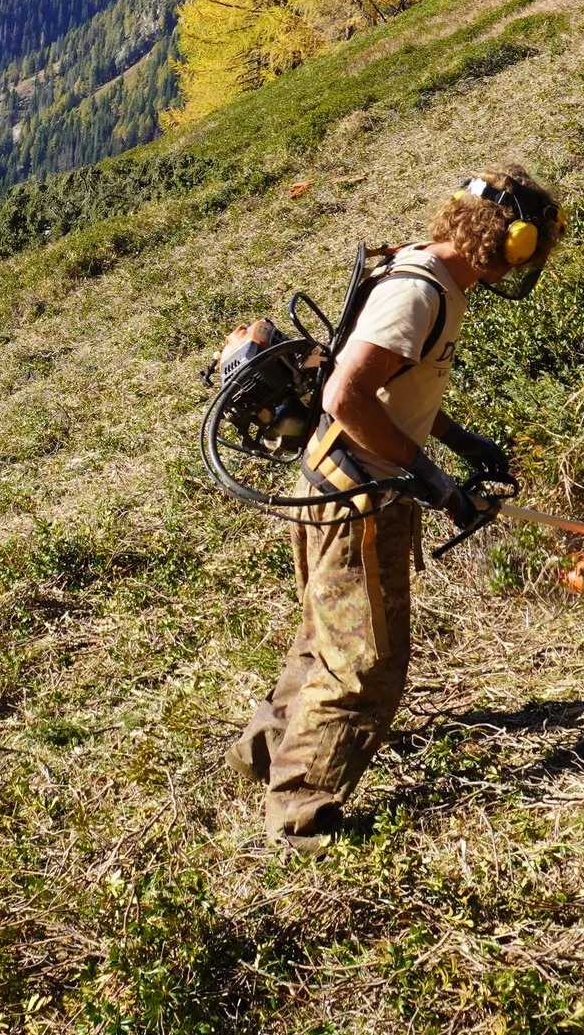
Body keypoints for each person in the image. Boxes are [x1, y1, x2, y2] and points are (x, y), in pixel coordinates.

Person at [227, 166, 564, 853]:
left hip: (347, 485)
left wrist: (455, 437)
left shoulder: (430, 276)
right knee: (365, 666)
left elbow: (396, 384)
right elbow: (345, 395)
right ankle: (298, 820)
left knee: (329, 637)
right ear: (514, 244)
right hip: (359, 498)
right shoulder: (419, 292)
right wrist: (426, 474)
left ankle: (262, 754)